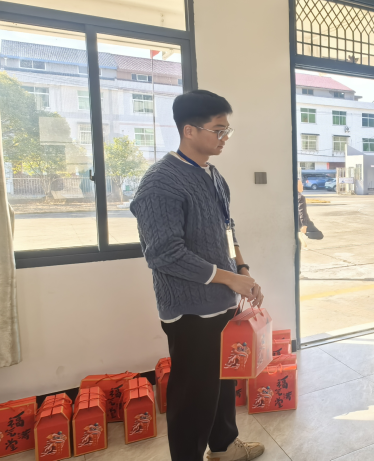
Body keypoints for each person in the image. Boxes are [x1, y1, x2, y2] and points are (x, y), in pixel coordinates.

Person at [130, 90, 265, 461]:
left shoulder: (213, 175)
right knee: (193, 395)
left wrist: (242, 270)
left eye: (227, 130)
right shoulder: (160, 182)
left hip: (222, 300)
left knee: (223, 380)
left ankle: (223, 446)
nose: (224, 138)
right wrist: (230, 278)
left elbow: (227, 229)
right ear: (189, 130)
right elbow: (164, 255)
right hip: (189, 309)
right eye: (218, 130)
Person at [296, 179, 323, 247]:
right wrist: (304, 225)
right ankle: (301, 236)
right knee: (319, 235)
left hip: (295, 222)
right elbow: (302, 211)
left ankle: (300, 236)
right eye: (300, 184)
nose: (302, 186)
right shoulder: (300, 197)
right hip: (302, 222)